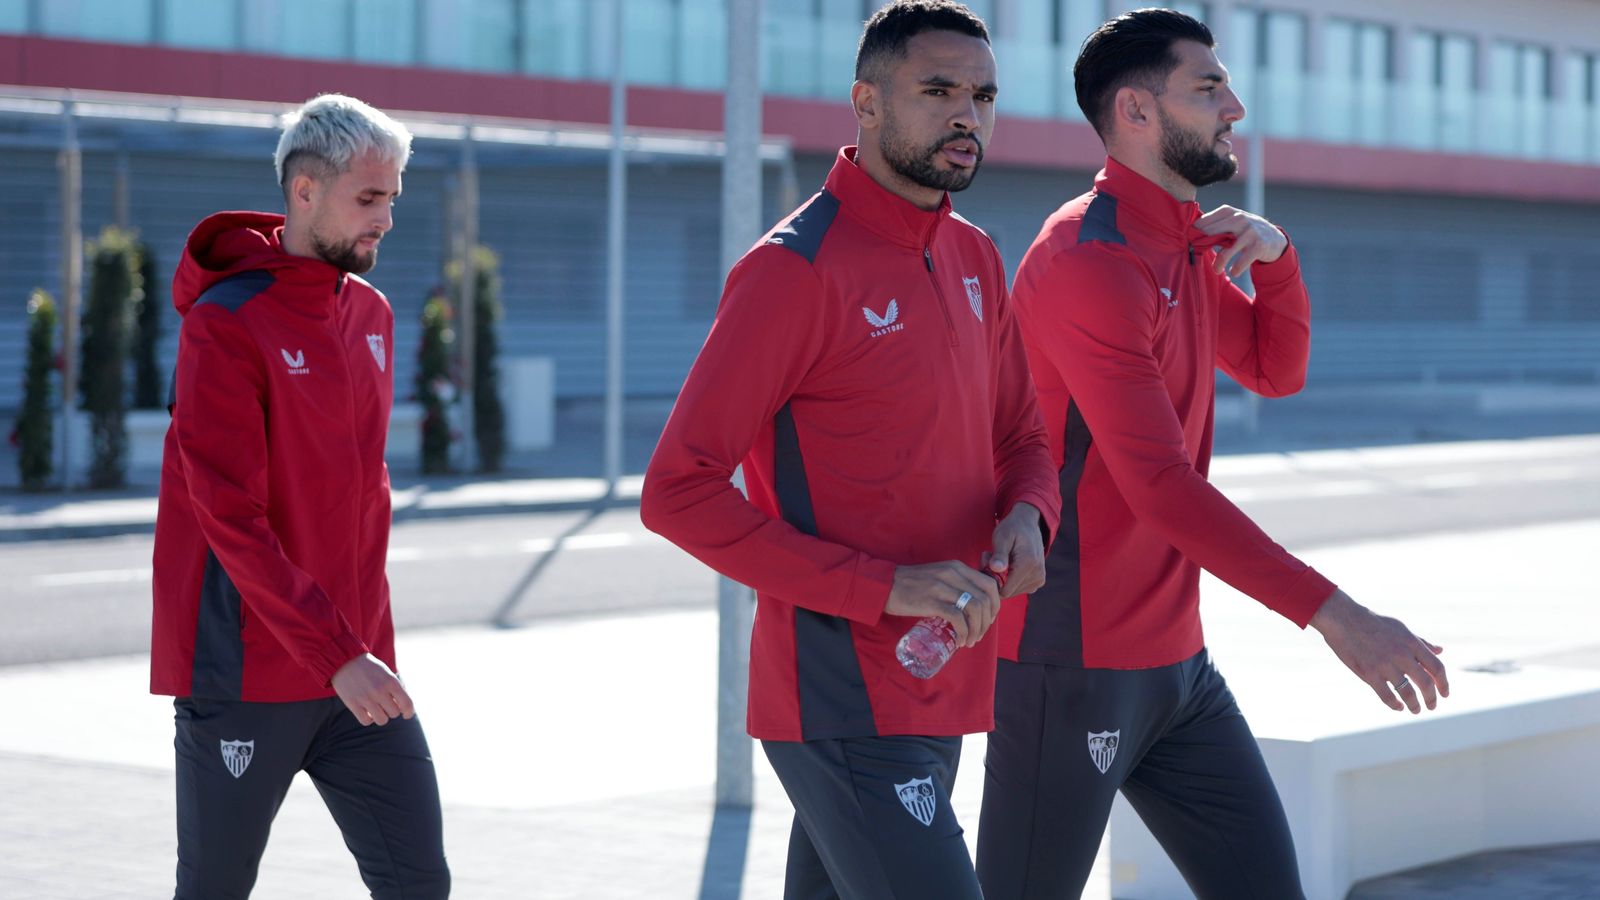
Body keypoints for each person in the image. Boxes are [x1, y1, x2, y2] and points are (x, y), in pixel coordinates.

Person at [974, 10, 1450, 899]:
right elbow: (1160, 487)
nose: (1236, 104)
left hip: (1178, 670)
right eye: (1208, 86)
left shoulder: (1183, 246)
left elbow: (1275, 371)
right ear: (1137, 111)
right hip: (1071, 661)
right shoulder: (1089, 257)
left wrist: (1277, 260)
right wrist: (1337, 616)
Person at [640, 2, 1061, 896]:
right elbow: (677, 490)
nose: (967, 116)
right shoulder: (790, 270)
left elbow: (1024, 433)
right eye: (938, 90)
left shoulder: (978, 258)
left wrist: (1032, 515)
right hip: (841, 693)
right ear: (865, 104)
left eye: (983, 96)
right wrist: (883, 587)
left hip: (943, 673)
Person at [150, 93, 450, 899]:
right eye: (367, 198)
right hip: (248, 676)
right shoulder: (226, 323)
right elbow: (230, 519)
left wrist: (356, 651)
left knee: (420, 883)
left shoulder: (373, 315)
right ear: (305, 191)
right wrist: (337, 655)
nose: (385, 218)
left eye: (392, 198)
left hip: (357, 672)